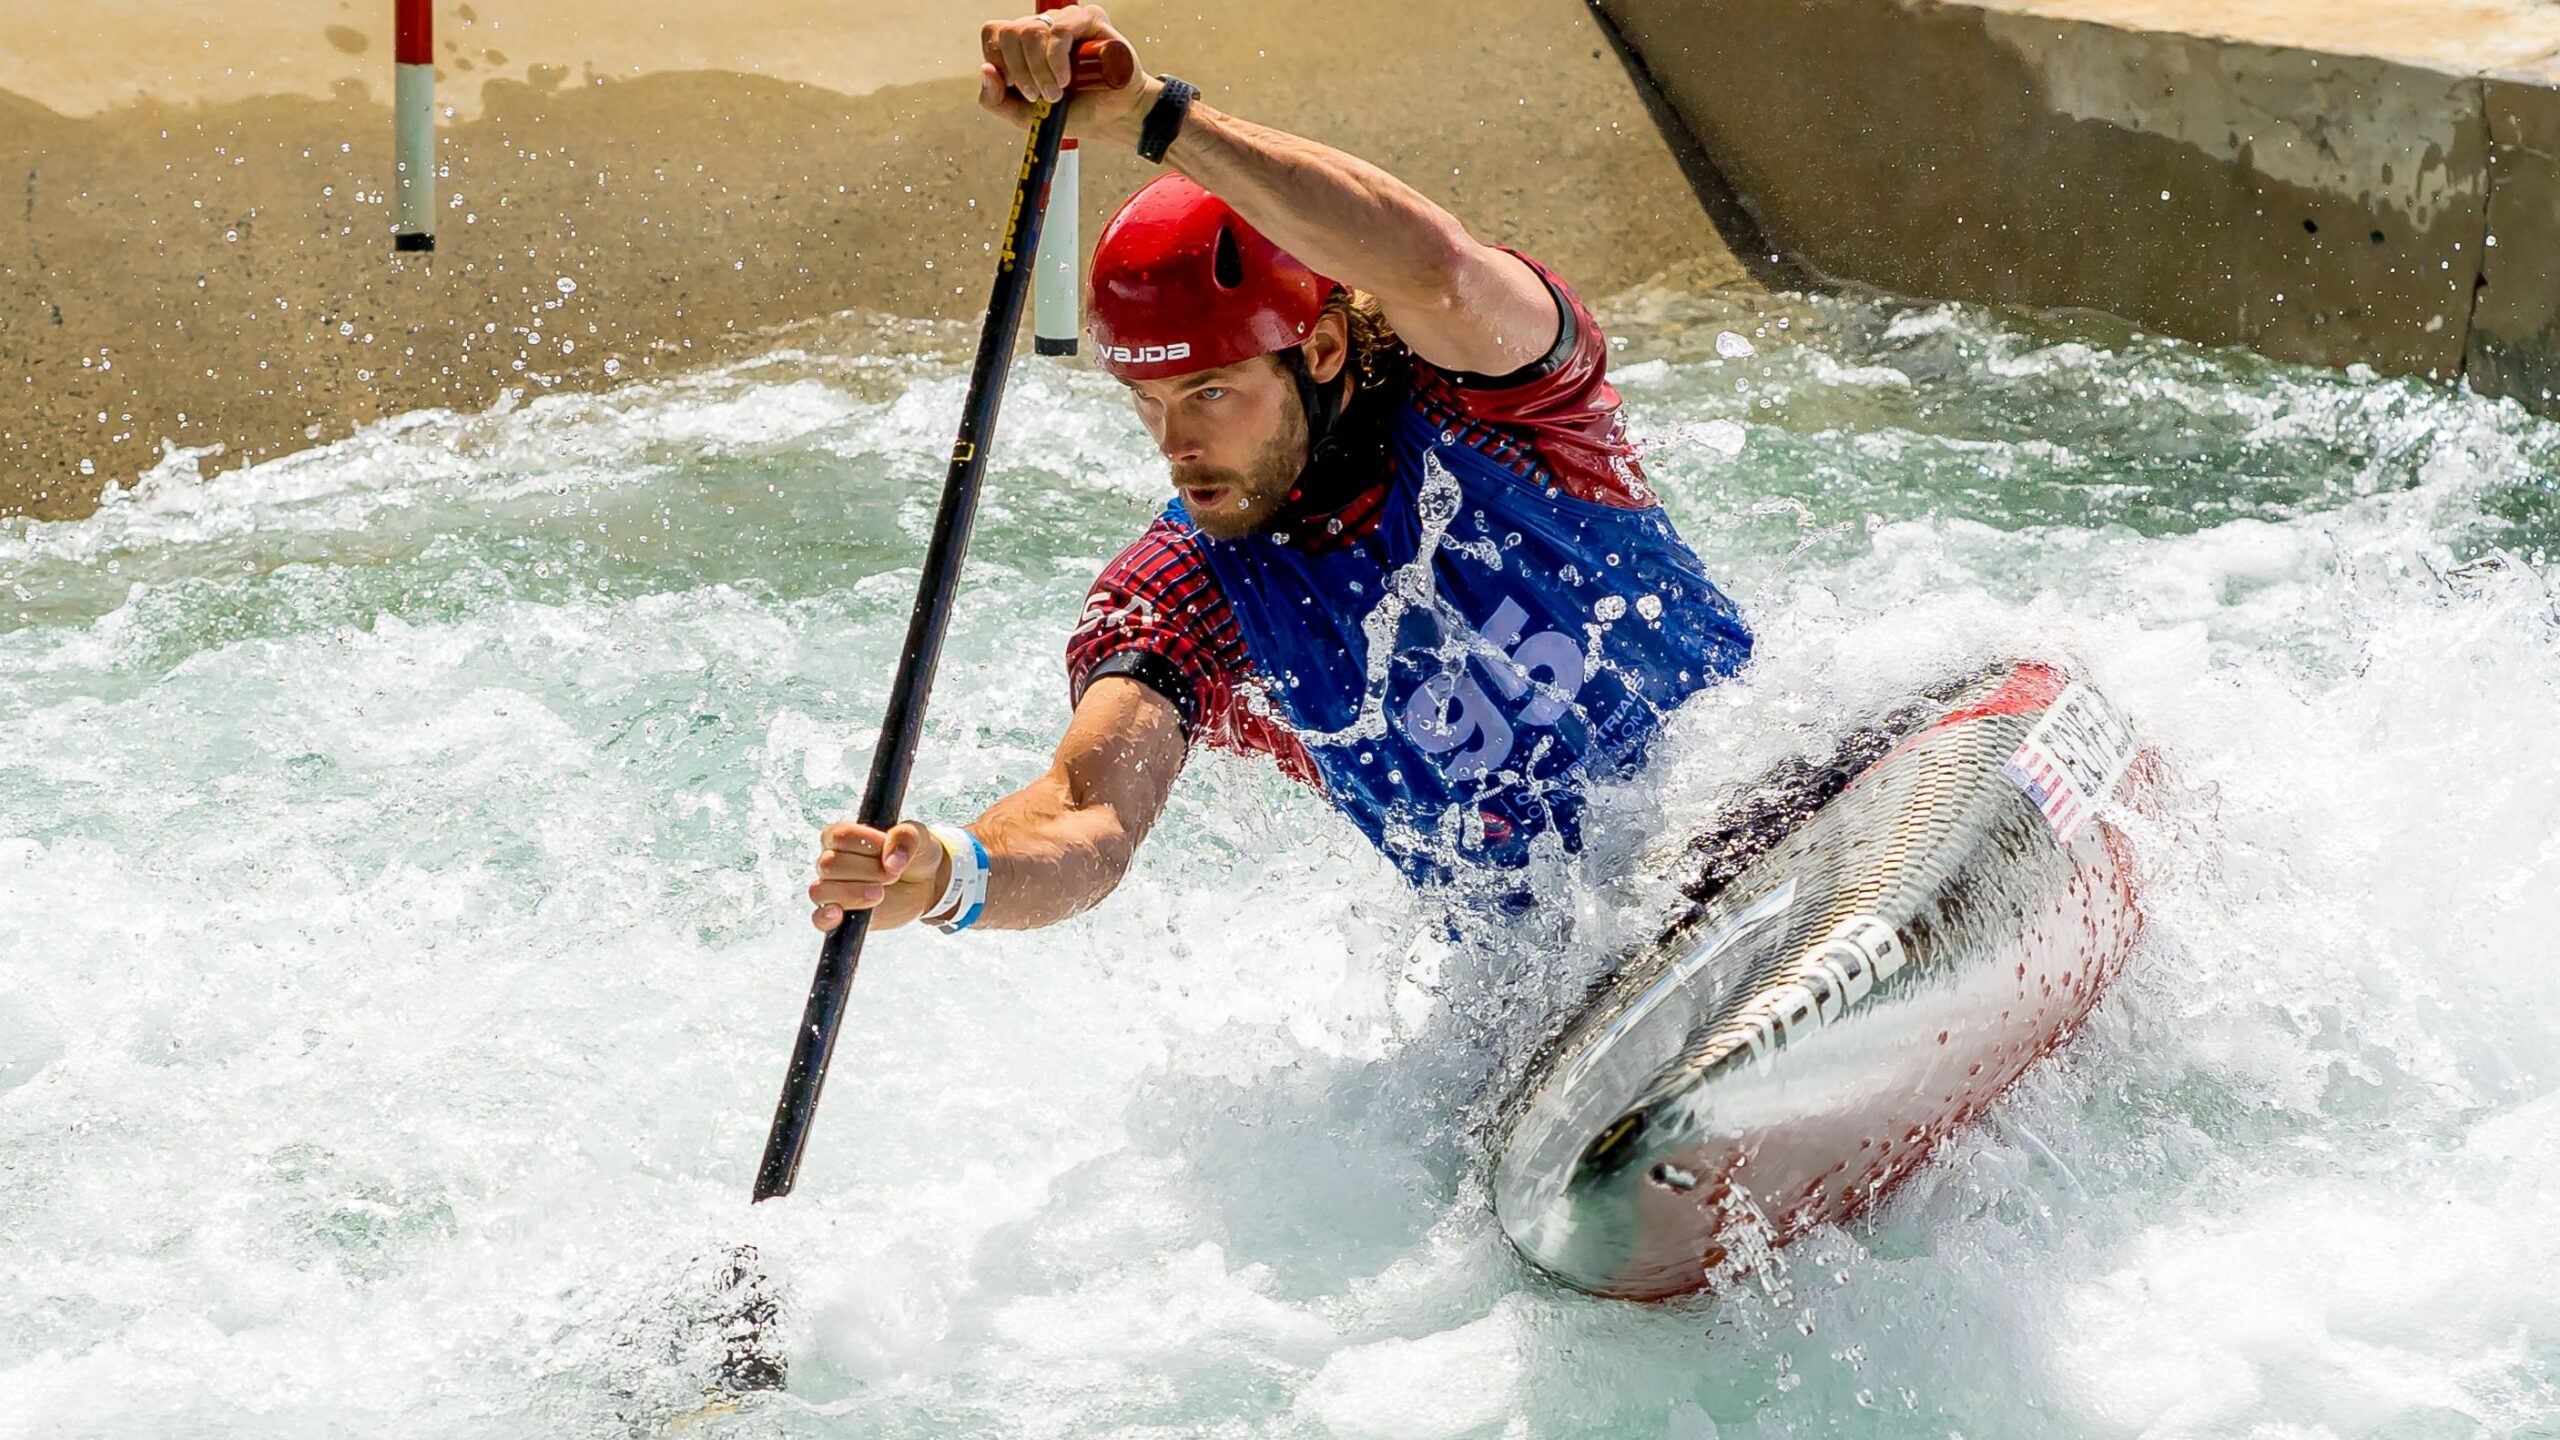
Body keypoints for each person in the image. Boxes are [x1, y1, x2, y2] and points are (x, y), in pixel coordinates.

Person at [808, 4, 1753, 937]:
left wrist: (1150, 114)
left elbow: (1440, 271)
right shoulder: (1184, 595)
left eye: (1211, 391)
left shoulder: (1493, 407)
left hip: (1770, 803)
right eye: (1148, 399)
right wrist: (949, 873)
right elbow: (1086, 817)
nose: (1176, 443)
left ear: (1325, 348)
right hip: (1558, 962)